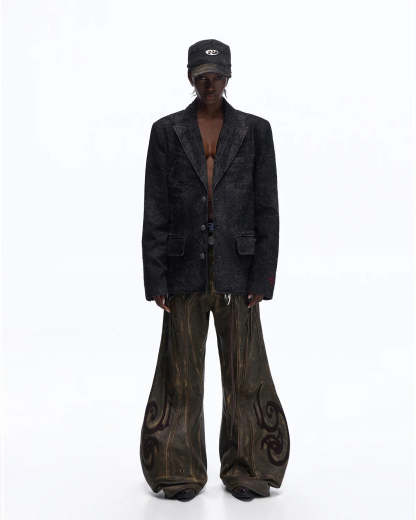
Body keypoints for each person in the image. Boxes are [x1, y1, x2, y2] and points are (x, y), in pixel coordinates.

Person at [139, 38, 290, 501]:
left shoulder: (255, 130)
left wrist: (263, 278)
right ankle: (177, 470)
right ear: (190, 77)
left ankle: (249, 468)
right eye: (202, 77)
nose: (210, 84)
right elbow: (155, 209)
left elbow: (267, 209)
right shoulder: (166, 131)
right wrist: (156, 279)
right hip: (182, 271)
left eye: (217, 76)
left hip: (239, 274)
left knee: (245, 377)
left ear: (228, 76)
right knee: (180, 376)